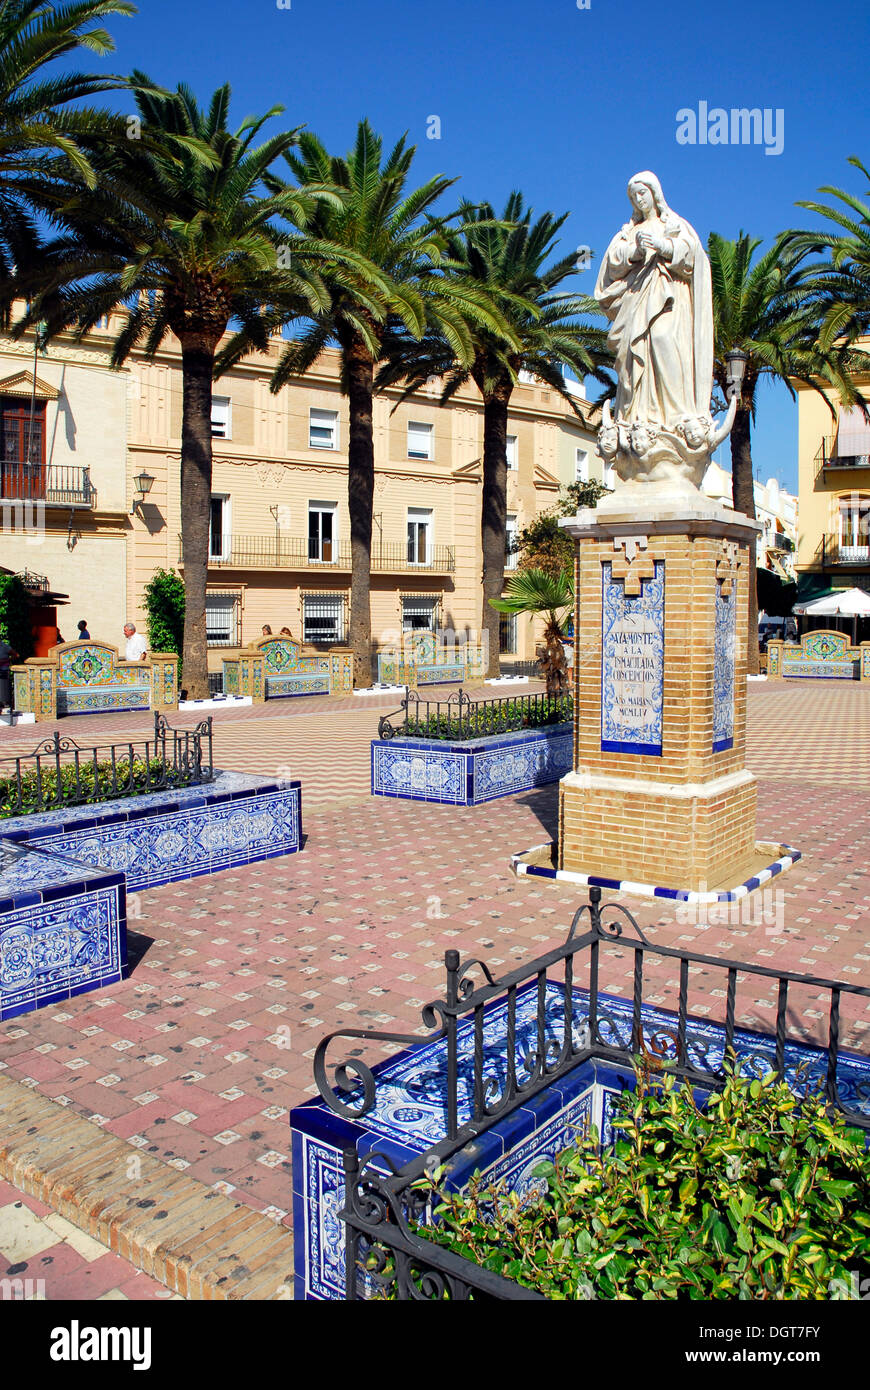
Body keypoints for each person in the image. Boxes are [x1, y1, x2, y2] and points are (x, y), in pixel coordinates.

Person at [594, 171, 712, 430]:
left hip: (667, 297)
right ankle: (638, 415)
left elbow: (694, 258)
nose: (639, 200)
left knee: (663, 339)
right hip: (636, 300)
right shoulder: (628, 232)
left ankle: (676, 414)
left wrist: (664, 246)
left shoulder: (675, 225)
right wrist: (634, 252)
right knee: (632, 353)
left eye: (643, 193)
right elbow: (611, 265)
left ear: (655, 193)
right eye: (634, 196)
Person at [0, 635, 18, 711]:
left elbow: (16, 655)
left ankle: (4, 703)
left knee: (3, 690)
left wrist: (5, 661)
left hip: (3, 671)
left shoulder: (4, 646)